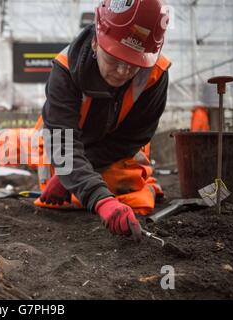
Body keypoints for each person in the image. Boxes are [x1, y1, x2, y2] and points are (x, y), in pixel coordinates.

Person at [35, 0, 171, 241]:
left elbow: (130, 140)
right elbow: (62, 142)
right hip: (67, 141)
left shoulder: (156, 73)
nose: (122, 71)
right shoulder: (65, 69)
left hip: (113, 148)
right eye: (115, 59)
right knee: (61, 174)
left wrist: (88, 189)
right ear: (96, 43)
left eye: (133, 65)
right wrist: (98, 196)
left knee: (132, 193)